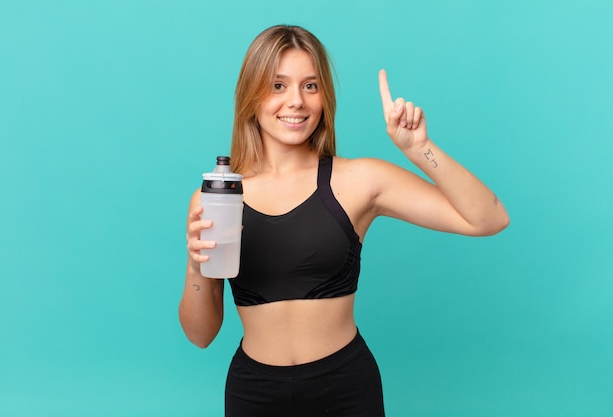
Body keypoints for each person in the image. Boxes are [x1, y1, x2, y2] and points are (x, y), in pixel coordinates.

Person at [179, 25, 509, 417]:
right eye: (278, 86)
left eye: (311, 86)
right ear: (252, 96)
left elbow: (489, 218)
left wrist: (421, 150)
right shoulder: (217, 197)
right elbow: (200, 336)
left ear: (325, 97)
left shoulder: (359, 181)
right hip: (254, 394)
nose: (297, 102)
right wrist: (196, 265)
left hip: (345, 390)